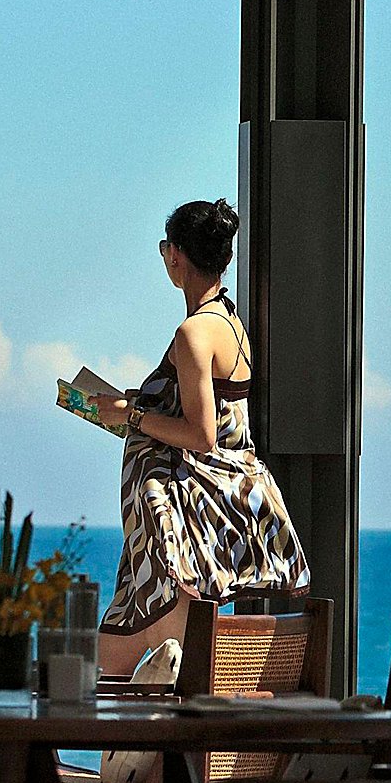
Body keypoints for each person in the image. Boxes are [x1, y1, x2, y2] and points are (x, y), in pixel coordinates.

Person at [89, 198, 311, 675]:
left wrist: (132, 417)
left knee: (164, 667)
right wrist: (139, 405)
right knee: (108, 666)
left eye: (165, 248)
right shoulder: (228, 322)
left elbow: (202, 434)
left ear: (176, 255)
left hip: (178, 524)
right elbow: (212, 413)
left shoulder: (195, 333)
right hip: (177, 528)